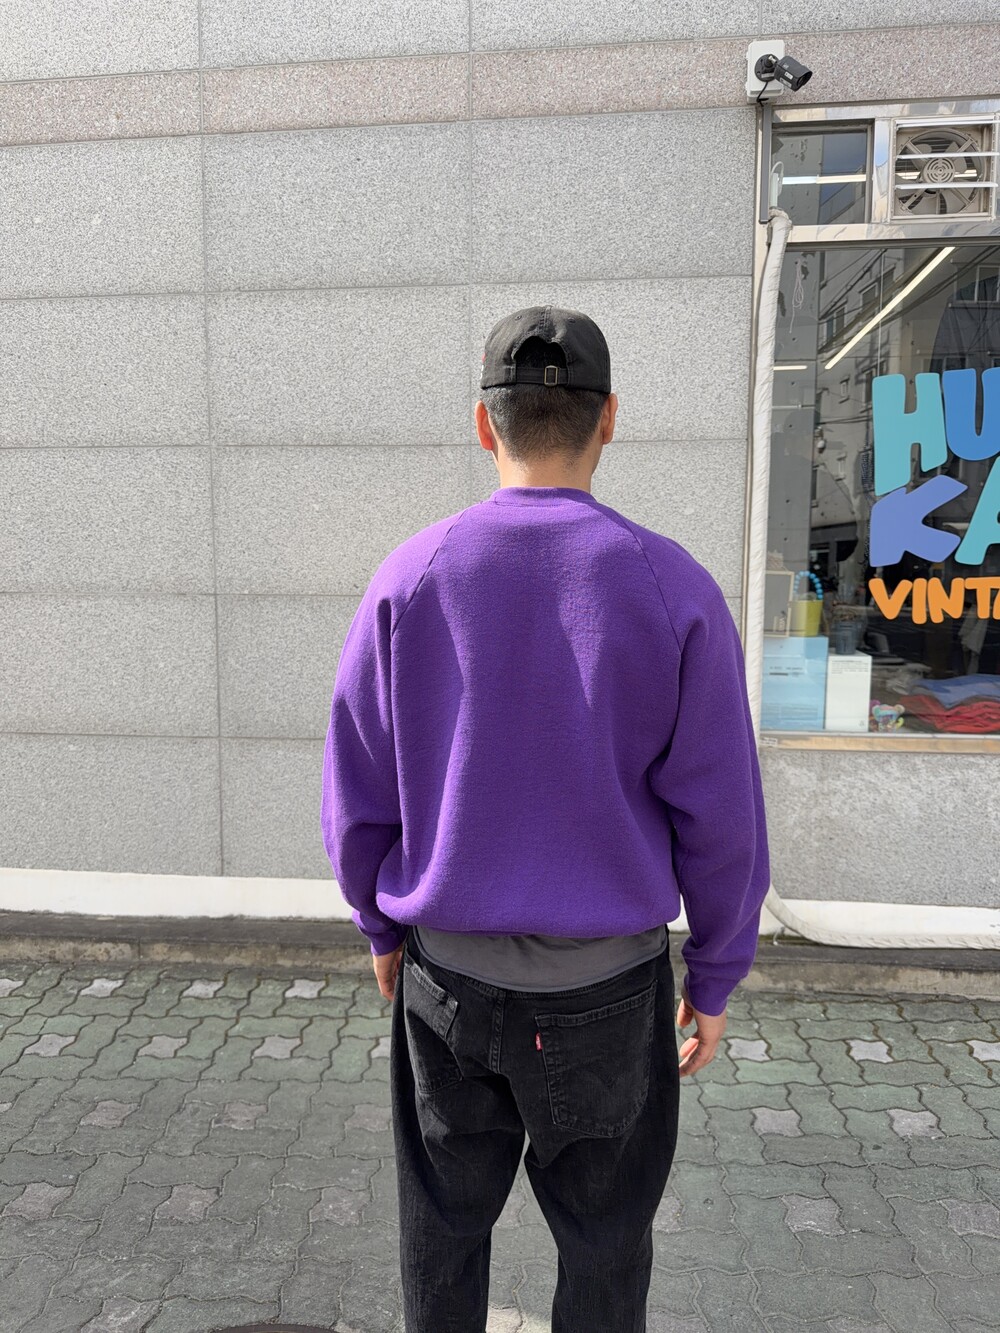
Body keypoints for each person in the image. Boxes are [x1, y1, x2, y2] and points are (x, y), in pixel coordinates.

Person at [321, 305, 771, 1333]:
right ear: (609, 419)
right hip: (608, 992)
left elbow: (357, 785)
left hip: (447, 982)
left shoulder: (410, 577)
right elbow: (722, 814)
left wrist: (380, 926)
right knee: (605, 1253)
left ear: (484, 424)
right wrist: (714, 975)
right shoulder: (673, 587)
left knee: (442, 1241)